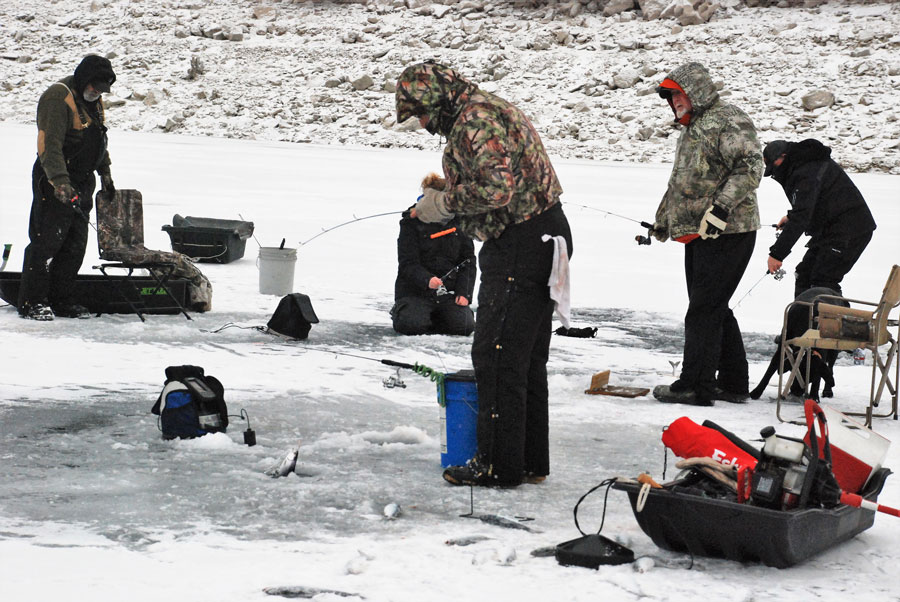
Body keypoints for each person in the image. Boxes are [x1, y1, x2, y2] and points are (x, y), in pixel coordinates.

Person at [395, 61, 573, 487]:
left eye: (420, 114)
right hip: (542, 234)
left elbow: (497, 189)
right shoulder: (485, 109)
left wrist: (442, 204)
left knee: (496, 354)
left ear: (434, 102)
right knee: (525, 357)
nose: (421, 124)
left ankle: (498, 464)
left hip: (521, 242)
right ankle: (528, 460)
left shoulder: (475, 119)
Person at [649, 61, 763, 406]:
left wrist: (721, 208)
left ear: (695, 92)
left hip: (729, 230)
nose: (675, 102)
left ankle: (695, 385)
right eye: (670, 97)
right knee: (712, 307)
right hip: (700, 233)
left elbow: (750, 166)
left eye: (679, 94)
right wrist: (663, 219)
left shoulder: (728, 118)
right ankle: (733, 382)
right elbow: (682, 181)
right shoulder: (692, 127)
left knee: (703, 310)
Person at [18, 54, 117, 320]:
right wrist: (60, 183)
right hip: (55, 179)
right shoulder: (57, 98)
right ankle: (33, 302)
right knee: (47, 242)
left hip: (83, 180)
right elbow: (48, 146)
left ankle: (61, 299)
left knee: (74, 244)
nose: (98, 93)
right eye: (95, 87)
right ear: (84, 79)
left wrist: (105, 172)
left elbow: (98, 139)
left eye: (102, 89)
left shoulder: (92, 102)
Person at [763, 138, 876, 298]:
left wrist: (777, 254)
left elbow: (802, 216)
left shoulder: (805, 171)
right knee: (804, 274)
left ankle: (833, 321)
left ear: (784, 156)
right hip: (832, 228)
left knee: (823, 279)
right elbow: (812, 202)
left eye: (774, 165)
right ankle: (803, 320)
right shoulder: (803, 164)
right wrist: (790, 217)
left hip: (851, 229)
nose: (774, 170)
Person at [391, 175, 476, 336]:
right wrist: (426, 280)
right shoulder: (410, 224)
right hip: (414, 293)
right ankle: (406, 312)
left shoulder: (460, 223)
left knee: (464, 327)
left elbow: (468, 261)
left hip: (447, 293)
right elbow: (407, 263)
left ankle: (440, 316)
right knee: (411, 325)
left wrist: (464, 293)